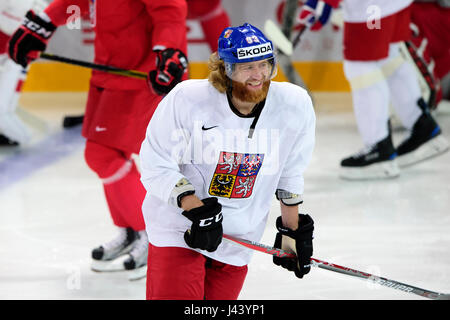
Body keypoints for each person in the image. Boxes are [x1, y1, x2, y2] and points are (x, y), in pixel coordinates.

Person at [7, 0, 188, 277]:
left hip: (146, 72)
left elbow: (169, 8)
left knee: (103, 154)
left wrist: (170, 50)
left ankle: (156, 238)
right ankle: (131, 231)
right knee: (103, 156)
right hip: (109, 69)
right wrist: (42, 23)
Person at [139, 23, 316, 300]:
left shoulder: (295, 104)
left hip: (239, 236)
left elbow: (290, 170)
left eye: (265, 65)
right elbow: (155, 162)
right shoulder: (188, 99)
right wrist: (195, 209)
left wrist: (292, 231)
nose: (258, 76)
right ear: (225, 69)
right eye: (247, 67)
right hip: (180, 228)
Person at [296, 0, 449, 179]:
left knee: (362, 65)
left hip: (370, 6)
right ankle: (422, 126)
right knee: (389, 58)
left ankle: (378, 148)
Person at [0, 0, 47, 147]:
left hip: (15, 56)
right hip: (8, 53)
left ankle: (12, 134)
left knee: (7, 105)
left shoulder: (40, 6)